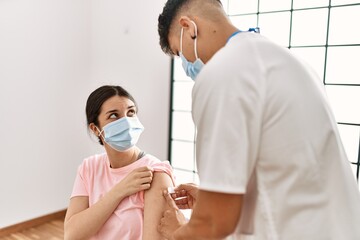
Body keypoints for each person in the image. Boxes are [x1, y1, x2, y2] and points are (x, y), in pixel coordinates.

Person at [156, 0, 360, 239]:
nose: (186, 64)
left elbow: (215, 223)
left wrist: (176, 233)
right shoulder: (287, 61)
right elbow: (288, 171)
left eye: (180, 53)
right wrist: (212, 196)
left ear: (188, 27)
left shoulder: (222, 74)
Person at [64, 85, 175, 240]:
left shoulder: (155, 173)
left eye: (131, 112)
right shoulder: (89, 168)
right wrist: (119, 191)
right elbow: (72, 234)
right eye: (114, 115)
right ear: (95, 129)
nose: (126, 121)